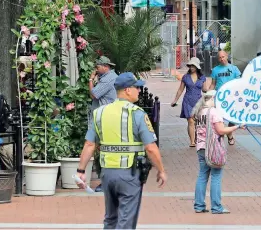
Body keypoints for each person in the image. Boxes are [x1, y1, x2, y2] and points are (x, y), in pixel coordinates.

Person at [76, 72, 167, 229]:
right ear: (127, 90)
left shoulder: (100, 113)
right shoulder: (137, 113)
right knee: (126, 222)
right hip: (129, 174)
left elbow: (89, 145)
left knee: (111, 219)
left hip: (107, 174)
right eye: (137, 87)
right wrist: (161, 170)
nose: (139, 90)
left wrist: (80, 170)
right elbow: (151, 148)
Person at [192, 90, 245, 214]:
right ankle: (216, 207)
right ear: (214, 99)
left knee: (202, 175)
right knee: (216, 176)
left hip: (201, 146)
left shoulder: (199, 111)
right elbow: (221, 130)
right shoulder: (214, 112)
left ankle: (199, 205)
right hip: (213, 148)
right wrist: (237, 126)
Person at [88, 56, 118, 192]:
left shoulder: (108, 79)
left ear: (105, 66)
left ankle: (106, 181)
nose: (96, 69)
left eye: (98, 67)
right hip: (103, 117)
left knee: (104, 150)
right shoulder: (106, 77)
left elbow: (94, 94)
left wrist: (90, 80)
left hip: (104, 119)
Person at [171, 57, 208, 147]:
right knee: (191, 121)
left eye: (193, 66)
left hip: (198, 102)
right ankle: (192, 141)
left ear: (197, 67)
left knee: (197, 122)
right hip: (187, 101)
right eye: (190, 66)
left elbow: (204, 90)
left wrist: (207, 90)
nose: (191, 67)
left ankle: (196, 137)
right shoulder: (185, 77)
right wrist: (175, 100)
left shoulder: (202, 77)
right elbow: (180, 90)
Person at [208, 51, 241, 145]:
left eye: (223, 57)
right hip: (219, 98)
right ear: (218, 59)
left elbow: (239, 83)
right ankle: (221, 136)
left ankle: (229, 135)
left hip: (232, 97)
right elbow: (213, 84)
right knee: (219, 118)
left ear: (227, 56)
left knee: (232, 119)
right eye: (220, 57)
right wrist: (208, 94)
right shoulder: (215, 70)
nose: (222, 59)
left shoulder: (234, 69)